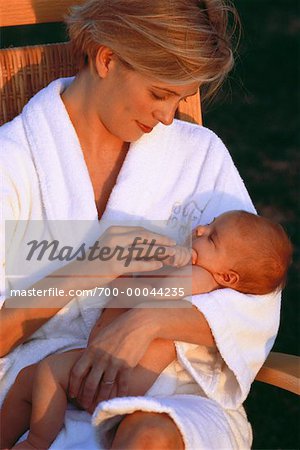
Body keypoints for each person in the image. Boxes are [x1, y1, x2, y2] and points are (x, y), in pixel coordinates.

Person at [0, 1, 285, 449]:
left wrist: (150, 320)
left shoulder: (197, 154)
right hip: (38, 393)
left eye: (180, 97)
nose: (170, 117)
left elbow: (256, 293)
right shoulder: (12, 165)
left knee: (149, 437)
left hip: (170, 390)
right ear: (107, 58)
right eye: (159, 93)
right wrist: (94, 266)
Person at [1, 210, 293, 449]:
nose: (201, 230)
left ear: (227, 276)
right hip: (112, 365)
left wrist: (137, 271)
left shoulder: (201, 277)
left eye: (213, 237)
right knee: (29, 378)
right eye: (209, 224)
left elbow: (157, 297)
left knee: (49, 373)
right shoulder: (202, 272)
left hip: (122, 375)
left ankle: (36, 442)